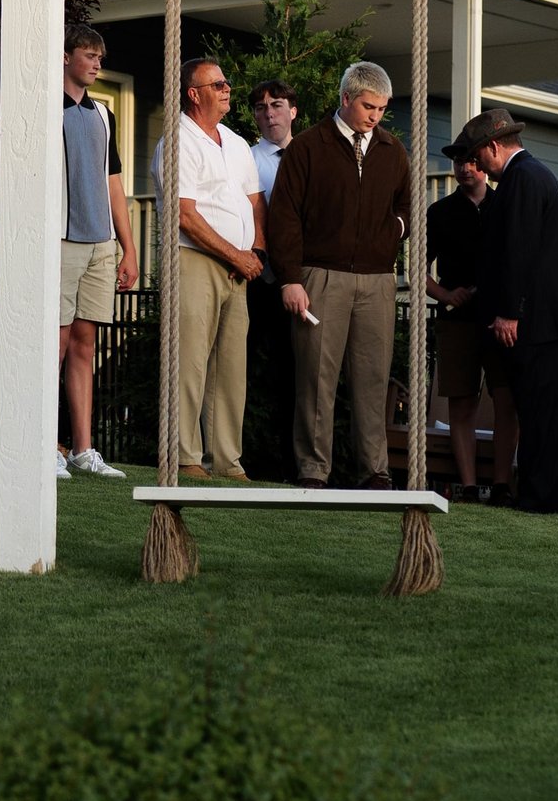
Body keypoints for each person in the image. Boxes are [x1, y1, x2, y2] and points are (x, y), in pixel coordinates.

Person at [266, 61, 411, 490]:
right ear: (346, 97)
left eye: (382, 109)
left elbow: (404, 207)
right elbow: (284, 216)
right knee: (316, 378)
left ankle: (374, 471)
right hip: (320, 277)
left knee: (372, 378)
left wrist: (394, 232)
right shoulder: (308, 147)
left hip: (378, 281)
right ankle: (313, 470)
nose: (375, 116)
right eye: (369, 106)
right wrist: (291, 278)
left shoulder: (392, 151)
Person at [154, 57, 264, 479]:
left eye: (227, 81)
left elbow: (256, 203)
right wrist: (235, 255)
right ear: (193, 93)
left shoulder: (236, 143)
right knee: (191, 361)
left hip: (239, 268)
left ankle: (227, 460)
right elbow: (184, 214)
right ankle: (185, 457)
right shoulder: (177, 141)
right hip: (196, 260)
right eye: (216, 84)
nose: (226, 89)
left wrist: (256, 252)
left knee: (230, 368)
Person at [469, 108, 558, 513]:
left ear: (494, 146)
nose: (478, 166)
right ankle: (539, 494)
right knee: (539, 412)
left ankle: (539, 498)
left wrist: (511, 311)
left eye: (480, 156)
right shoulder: (539, 176)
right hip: (545, 318)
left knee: (539, 414)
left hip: (534, 323)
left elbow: (519, 249)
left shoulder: (521, 180)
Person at [58, 23, 135, 480]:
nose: (96, 63)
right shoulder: (48, 108)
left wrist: (128, 248)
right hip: (62, 241)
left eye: (99, 57)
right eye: (88, 55)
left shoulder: (104, 114)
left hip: (100, 245)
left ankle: (82, 451)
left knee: (85, 346)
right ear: (66, 57)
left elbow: (113, 182)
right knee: (58, 346)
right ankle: (47, 446)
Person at [425, 128, 513, 504]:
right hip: (457, 319)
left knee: (506, 398)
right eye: (459, 161)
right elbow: (417, 268)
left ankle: (502, 484)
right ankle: (470, 485)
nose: (465, 168)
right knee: (462, 402)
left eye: (472, 161)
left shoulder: (504, 205)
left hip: (498, 317)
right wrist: (446, 293)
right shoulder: (440, 212)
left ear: (484, 164)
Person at [243, 78, 302, 480]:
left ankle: (295, 465)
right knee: (245, 373)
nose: (270, 114)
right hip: (256, 282)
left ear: (293, 111)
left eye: (277, 105)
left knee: (297, 376)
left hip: (299, 283)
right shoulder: (245, 158)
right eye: (262, 108)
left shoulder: (312, 156)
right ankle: (244, 458)